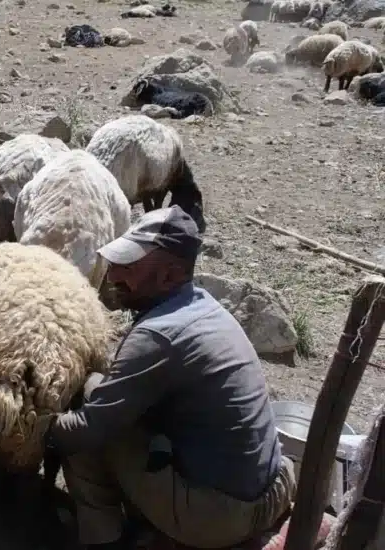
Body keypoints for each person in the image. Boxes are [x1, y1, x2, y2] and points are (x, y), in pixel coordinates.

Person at [45, 206, 296, 550]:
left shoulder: (158, 336)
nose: (114, 274)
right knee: (102, 394)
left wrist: (40, 427)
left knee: (88, 421)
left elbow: (90, 428)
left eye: (129, 266)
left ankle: (104, 538)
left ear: (169, 274)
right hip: (270, 488)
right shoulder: (202, 306)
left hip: (221, 516)